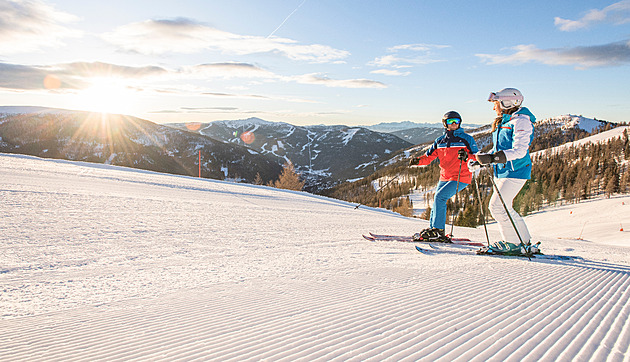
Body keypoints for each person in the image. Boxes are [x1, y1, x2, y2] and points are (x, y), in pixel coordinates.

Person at [476, 88, 538, 255]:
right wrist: (483, 159)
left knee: (497, 207)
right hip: (503, 171)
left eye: (495, 103)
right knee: (506, 207)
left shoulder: (521, 121)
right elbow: (500, 148)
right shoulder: (505, 120)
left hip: (515, 170)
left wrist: (493, 159)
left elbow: (520, 151)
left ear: (506, 103)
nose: (493, 107)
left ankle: (512, 243)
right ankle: (523, 242)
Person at [409, 111, 479, 242]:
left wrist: (467, 156)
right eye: (450, 122)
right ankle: (433, 229)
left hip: (461, 176)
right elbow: (429, 157)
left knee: (440, 197)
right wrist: (417, 161)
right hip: (445, 176)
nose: (453, 124)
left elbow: (477, 157)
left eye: (456, 122)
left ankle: (438, 230)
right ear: (445, 124)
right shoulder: (440, 141)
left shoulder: (466, 139)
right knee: (437, 199)